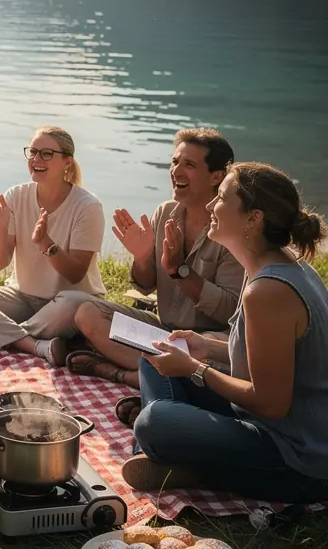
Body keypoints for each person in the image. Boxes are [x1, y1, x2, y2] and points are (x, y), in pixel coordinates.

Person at [122, 162, 328, 502]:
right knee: (155, 354)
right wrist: (206, 346)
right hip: (265, 423)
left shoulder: (268, 291)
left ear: (253, 218)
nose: (209, 205)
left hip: (296, 459)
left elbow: (271, 403)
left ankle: (183, 463)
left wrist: (195, 369)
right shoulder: (273, 264)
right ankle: (171, 456)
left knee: (154, 421)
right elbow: (266, 357)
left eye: (220, 197)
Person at [66, 129, 244, 409]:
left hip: (209, 341)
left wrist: (180, 271)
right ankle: (159, 376)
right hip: (164, 332)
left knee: (200, 352)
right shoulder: (165, 212)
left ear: (216, 176)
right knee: (87, 313)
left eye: (189, 165)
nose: (176, 171)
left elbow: (228, 310)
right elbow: (145, 284)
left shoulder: (230, 227)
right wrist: (141, 258)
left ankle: (121, 374)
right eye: (175, 162)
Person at [0, 127, 105, 365]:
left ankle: (3, 333)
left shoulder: (88, 206)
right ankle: (33, 344)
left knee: (76, 305)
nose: (36, 159)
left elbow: (76, 273)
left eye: (46, 154)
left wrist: (46, 244)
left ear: (67, 161)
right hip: (22, 298)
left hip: (65, 305)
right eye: (33, 152)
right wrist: (0, 230)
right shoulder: (15, 196)